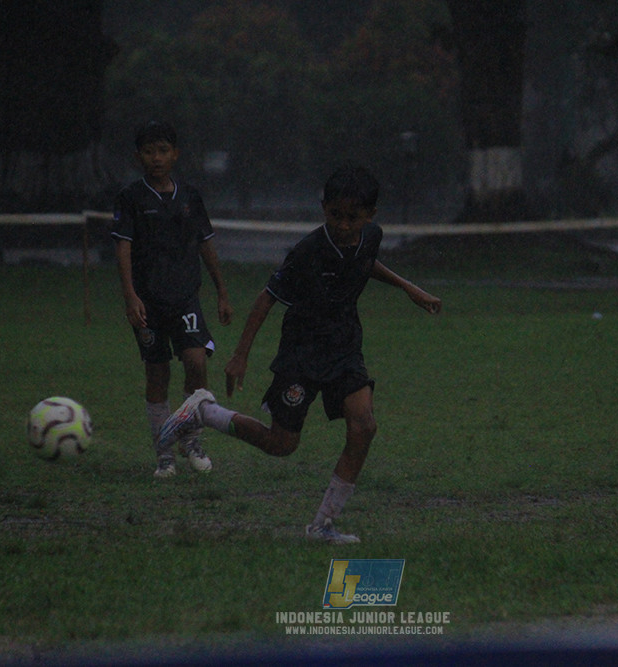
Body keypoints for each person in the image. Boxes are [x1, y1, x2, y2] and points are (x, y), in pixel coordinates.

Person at [156, 162, 442, 543]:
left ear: (370, 216)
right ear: (323, 208)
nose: (342, 225)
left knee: (364, 426)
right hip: (302, 353)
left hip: (344, 348)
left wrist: (410, 288)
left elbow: (365, 261)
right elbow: (265, 299)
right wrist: (240, 355)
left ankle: (323, 525)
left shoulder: (371, 236)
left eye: (352, 218)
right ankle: (203, 411)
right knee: (282, 444)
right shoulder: (307, 251)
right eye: (335, 215)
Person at [111, 120, 234, 478]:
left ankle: (191, 439)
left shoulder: (190, 197)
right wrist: (130, 295)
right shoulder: (131, 198)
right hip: (148, 301)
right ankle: (164, 452)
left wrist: (222, 292)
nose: (156, 158)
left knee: (196, 363)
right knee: (157, 374)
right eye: (149, 151)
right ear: (139, 157)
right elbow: (123, 247)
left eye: (163, 150)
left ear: (175, 155)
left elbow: (205, 243)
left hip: (185, 298)